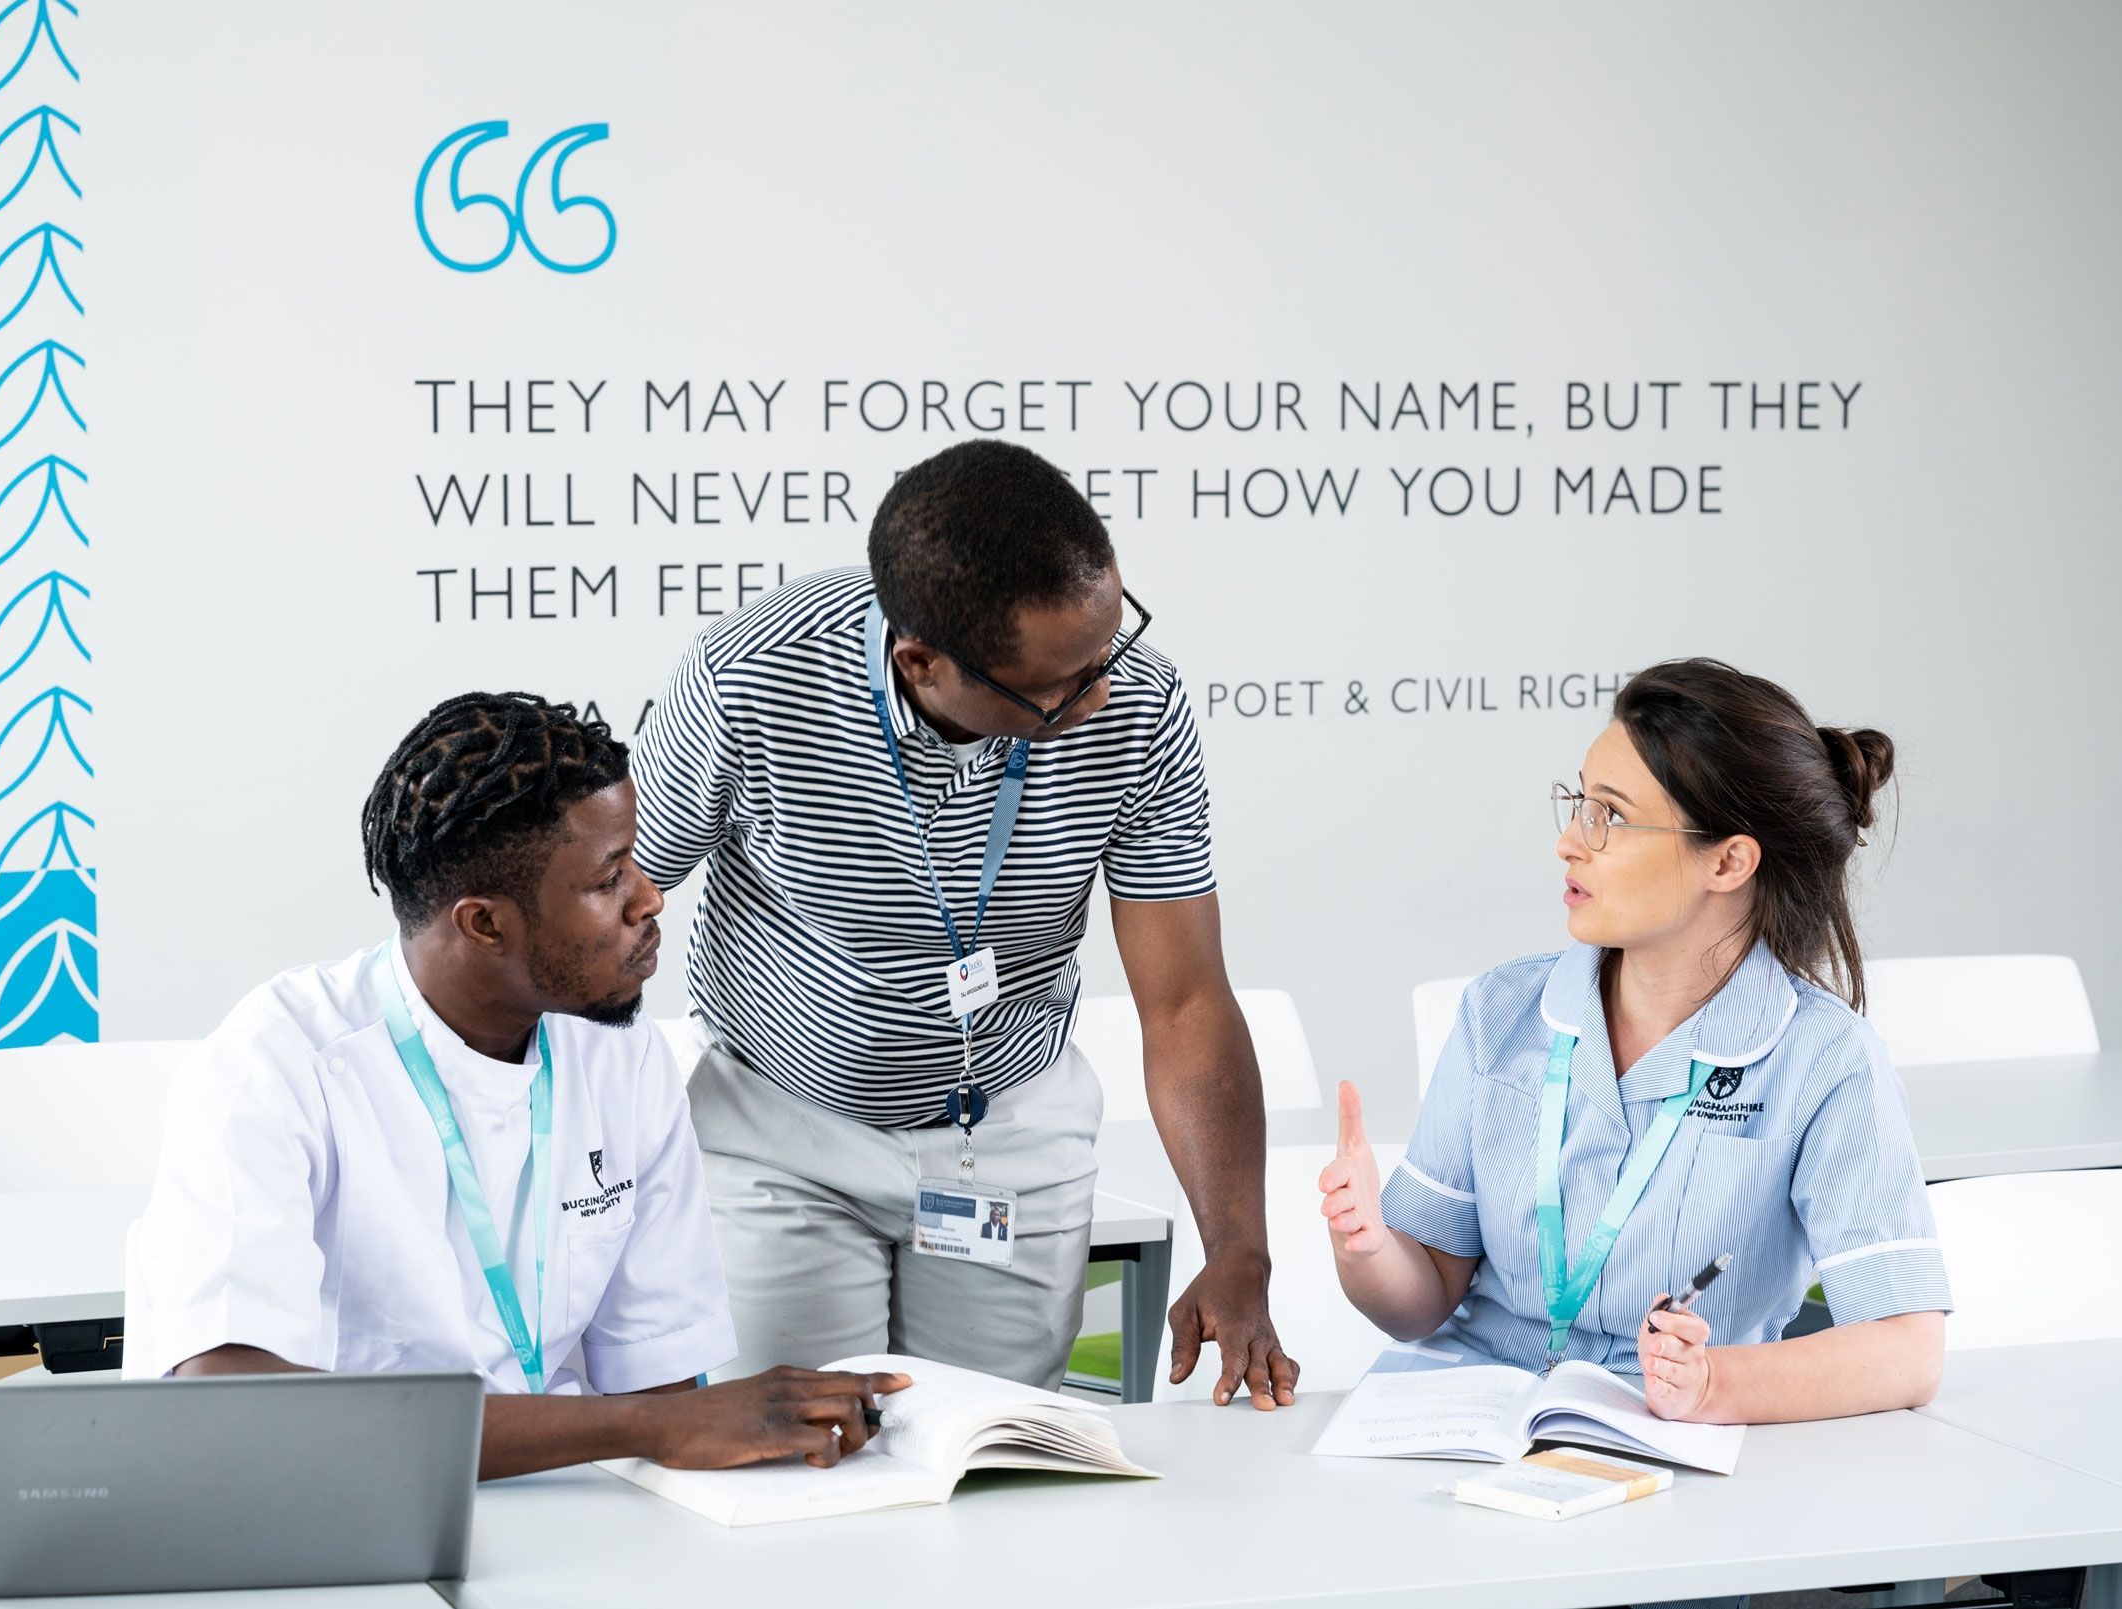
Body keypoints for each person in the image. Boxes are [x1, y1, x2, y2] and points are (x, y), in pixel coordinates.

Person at [632, 439, 1296, 1406]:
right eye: (1059, 685)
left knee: (993, 1446)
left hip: (1007, 1129)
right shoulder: (752, 676)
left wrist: (1238, 1248)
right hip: (780, 1130)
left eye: (1107, 649)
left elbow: (1187, 1001)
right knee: (790, 1447)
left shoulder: (1138, 702)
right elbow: (612, 908)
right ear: (922, 662)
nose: (1100, 692)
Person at [121, 692, 907, 1479]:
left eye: (633, 858)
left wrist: (688, 1428)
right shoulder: (277, 1061)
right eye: (608, 879)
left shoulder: (620, 1052)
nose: (649, 897)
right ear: (484, 924)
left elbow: (664, 1387)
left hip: (577, 1506)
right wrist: (650, 1423)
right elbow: (231, 1407)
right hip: (340, 1509)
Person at [1321, 659, 1949, 1422]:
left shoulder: (1826, 1060)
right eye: (1578, 803)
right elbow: (1419, 1301)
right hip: (1468, 1420)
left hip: (1663, 1443)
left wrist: (1714, 1383)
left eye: (1610, 816)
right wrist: (1366, 1248)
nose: (1568, 842)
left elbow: (1906, 1348)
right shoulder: (1500, 1011)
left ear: (1727, 860)